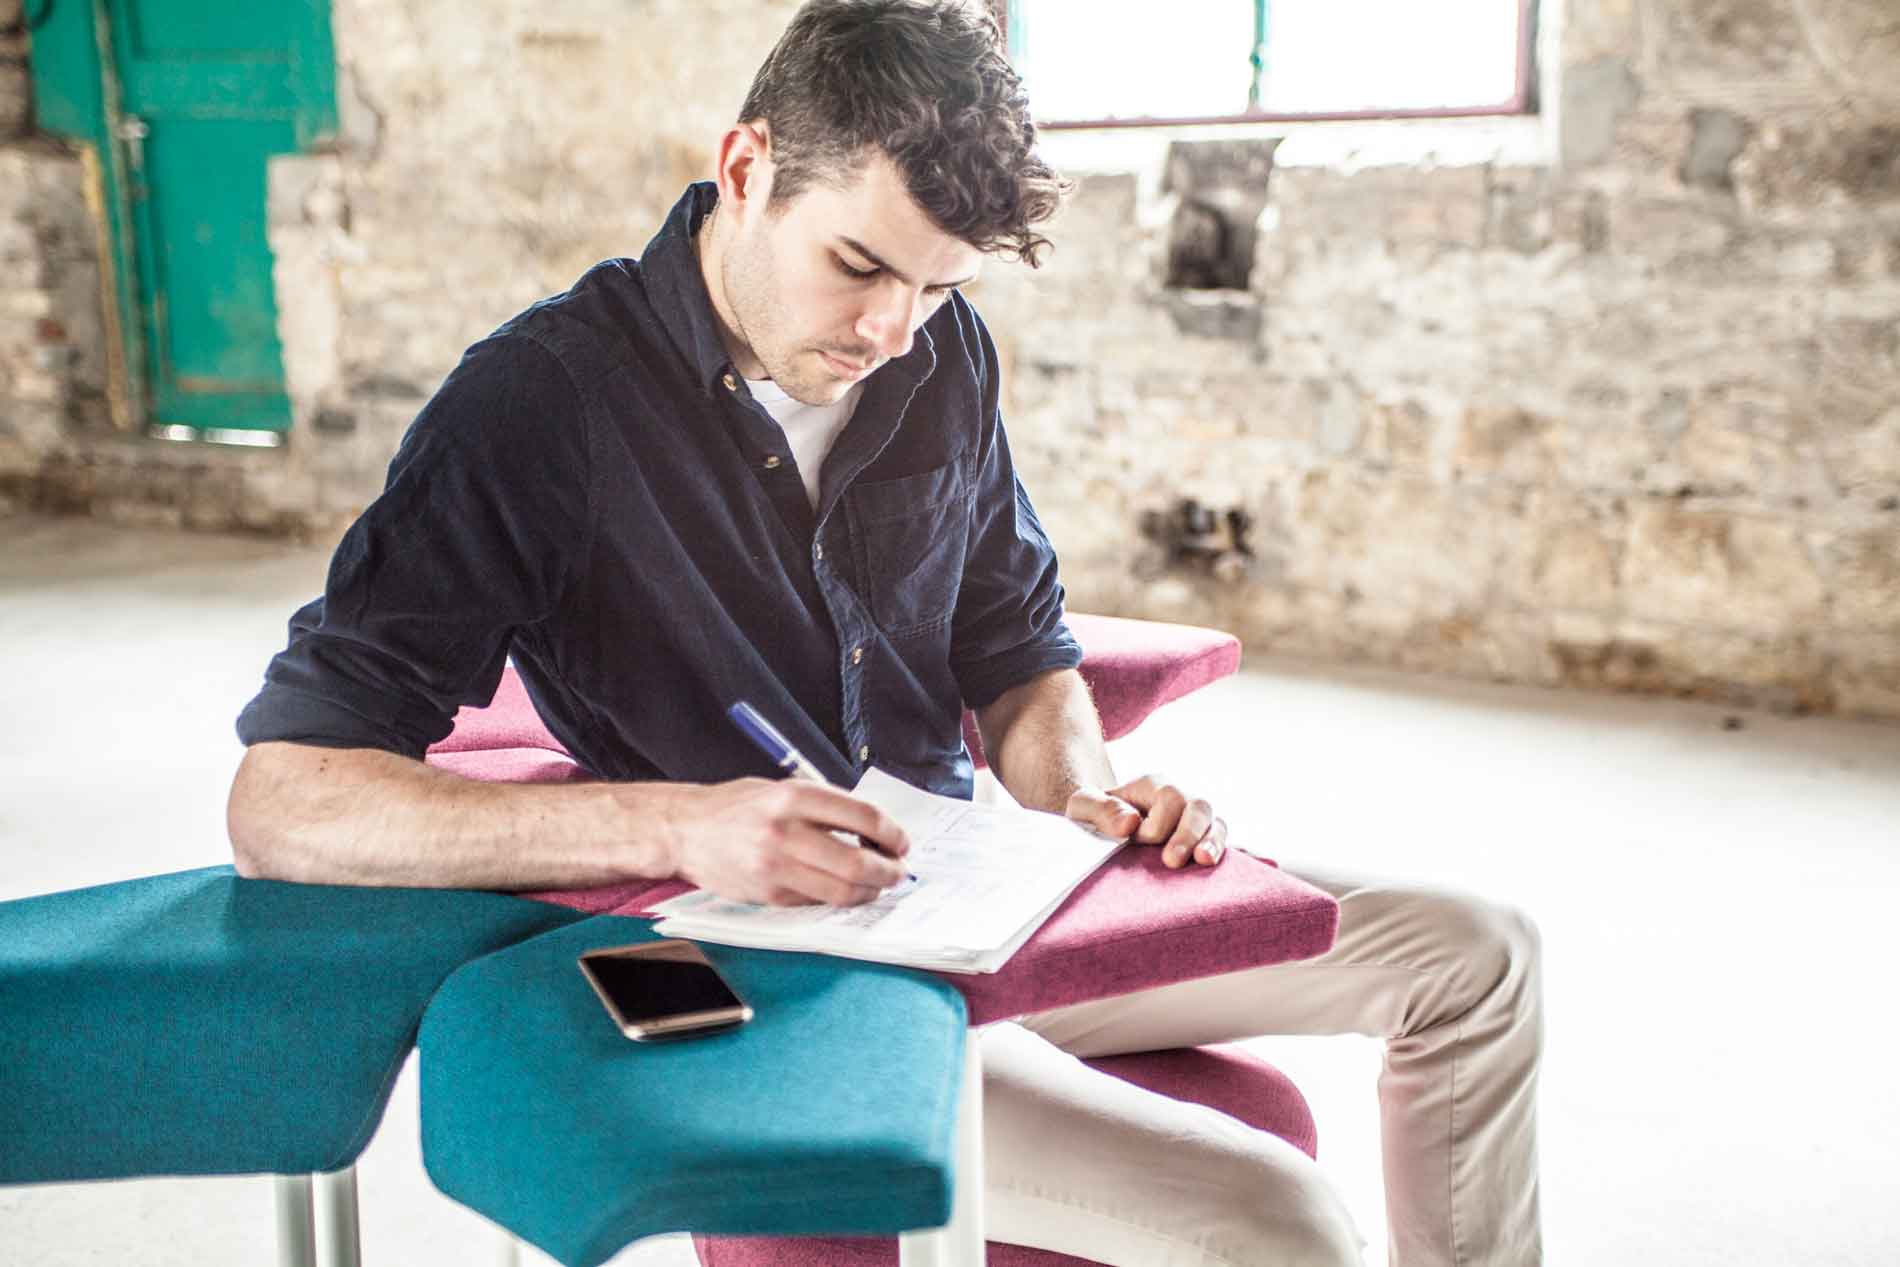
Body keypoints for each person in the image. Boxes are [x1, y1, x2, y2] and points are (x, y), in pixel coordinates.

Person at [228, 2, 1543, 1263]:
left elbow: (1018, 651)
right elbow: (286, 801)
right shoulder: (537, 406)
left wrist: (1082, 795)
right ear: (745, 169)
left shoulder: (940, 351)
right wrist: (680, 826)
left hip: (985, 898)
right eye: (858, 266)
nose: (888, 331)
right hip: (787, 974)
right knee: (1277, 1221)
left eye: (936, 284)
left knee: (1481, 955)